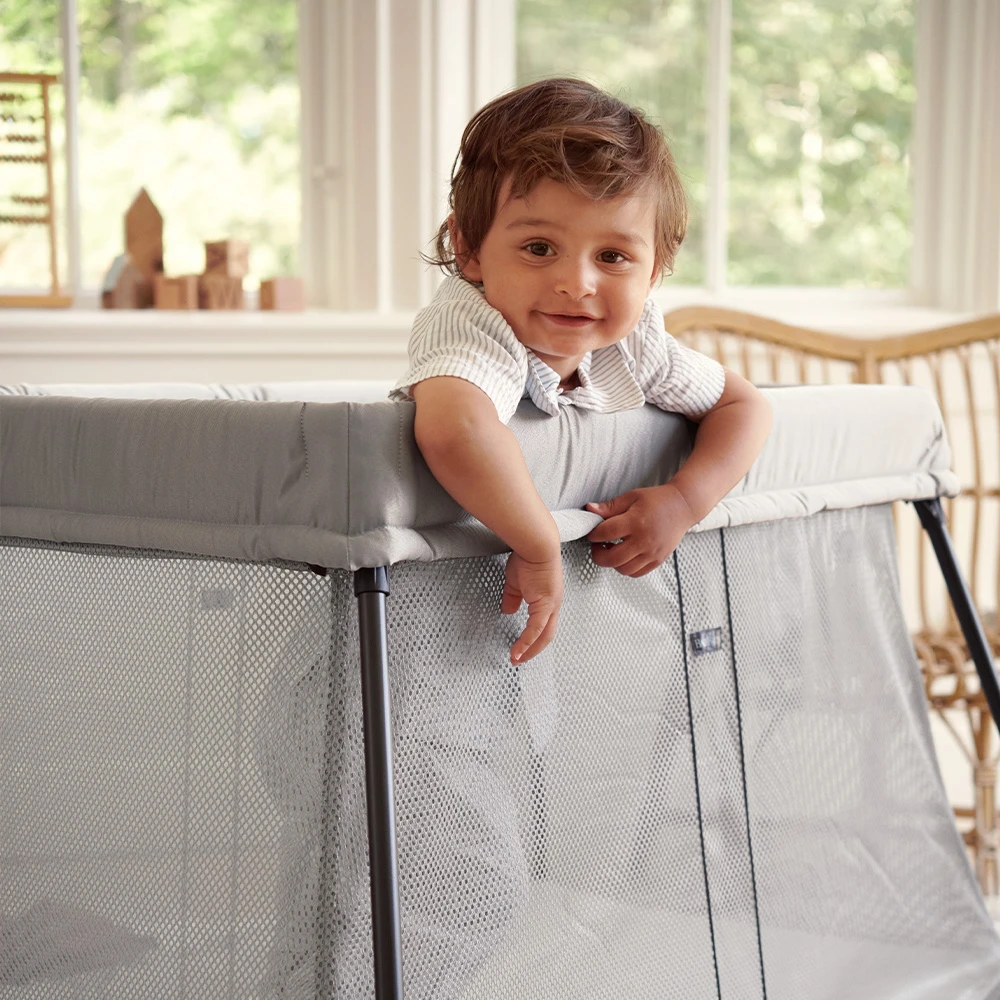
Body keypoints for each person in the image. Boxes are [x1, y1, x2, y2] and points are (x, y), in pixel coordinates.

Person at [392, 77, 772, 665]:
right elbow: (455, 429)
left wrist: (682, 501)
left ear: (654, 271)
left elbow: (744, 406)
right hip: (430, 615)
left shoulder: (636, 341)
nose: (577, 283)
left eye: (613, 257)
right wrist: (538, 545)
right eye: (539, 248)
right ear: (469, 251)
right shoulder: (470, 323)